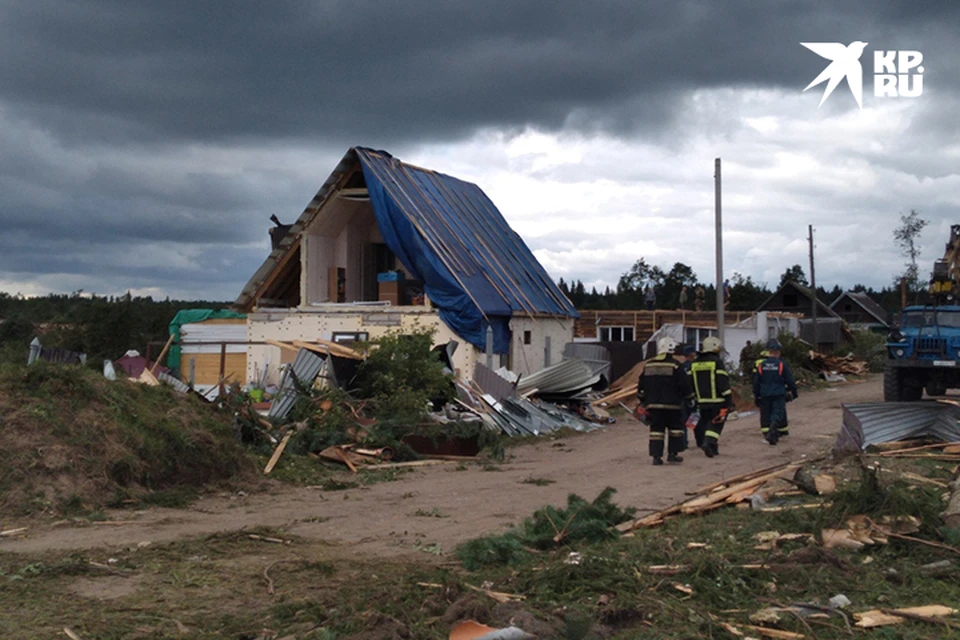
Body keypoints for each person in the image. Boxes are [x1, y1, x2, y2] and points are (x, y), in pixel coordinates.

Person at [637, 337, 694, 465]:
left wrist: (642, 400)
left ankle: (656, 457)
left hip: (653, 405)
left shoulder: (649, 365)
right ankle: (673, 454)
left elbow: (641, 385)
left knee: (656, 430)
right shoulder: (675, 365)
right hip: (672, 405)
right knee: (675, 429)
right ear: (671, 350)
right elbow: (684, 384)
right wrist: (690, 397)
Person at [691, 337, 735, 457]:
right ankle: (708, 442)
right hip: (717, 401)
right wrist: (729, 401)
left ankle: (713, 449)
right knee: (716, 423)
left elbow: (689, 382)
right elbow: (723, 382)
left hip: (701, 402)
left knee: (706, 424)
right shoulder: (716, 362)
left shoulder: (695, 363)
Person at [753, 339, 798, 445]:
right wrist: (794, 393)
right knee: (777, 413)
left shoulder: (762, 365)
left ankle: (769, 433)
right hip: (778, 394)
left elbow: (756, 382)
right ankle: (773, 431)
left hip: (764, 394)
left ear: (769, 352)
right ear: (778, 352)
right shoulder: (781, 365)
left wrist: (756, 396)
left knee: (766, 414)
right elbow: (790, 381)